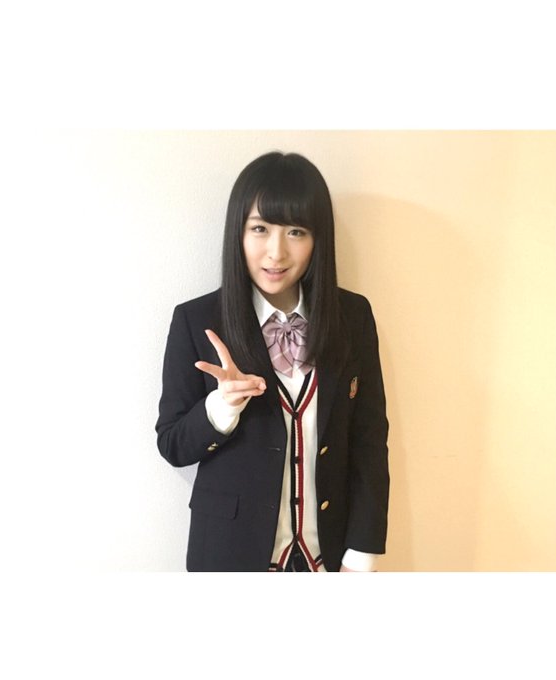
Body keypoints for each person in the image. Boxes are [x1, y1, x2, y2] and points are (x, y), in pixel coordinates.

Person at [156, 151, 390, 572]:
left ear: (318, 239)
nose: (276, 252)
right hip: (229, 553)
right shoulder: (196, 320)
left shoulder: (353, 317)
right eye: (260, 228)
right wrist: (221, 408)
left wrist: (362, 552)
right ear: (238, 232)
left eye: (296, 231)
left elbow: (369, 441)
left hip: (330, 556)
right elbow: (172, 444)